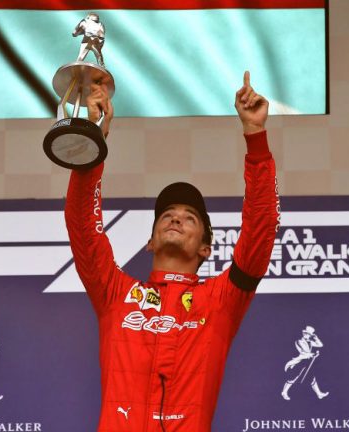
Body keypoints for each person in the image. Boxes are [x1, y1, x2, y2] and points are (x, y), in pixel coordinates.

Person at [64, 71, 279, 431]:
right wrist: (94, 138)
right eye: (167, 215)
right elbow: (83, 227)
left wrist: (255, 136)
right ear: (150, 241)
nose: (176, 218)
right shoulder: (115, 293)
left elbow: (261, 230)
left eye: (190, 217)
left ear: (206, 248)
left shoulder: (221, 301)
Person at [282, 326, 328, 400]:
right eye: (306, 333)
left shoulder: (310, 342)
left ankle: (319, 394)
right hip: (299, 361)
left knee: (312, 377)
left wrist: (316, 338)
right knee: (293, 377)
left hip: (307, 362)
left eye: (309, 334)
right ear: (303, 333)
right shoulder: (299, 341)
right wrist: (313, 354)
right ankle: (284, 392)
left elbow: (320, 345)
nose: (307, 335)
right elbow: (304, 352)